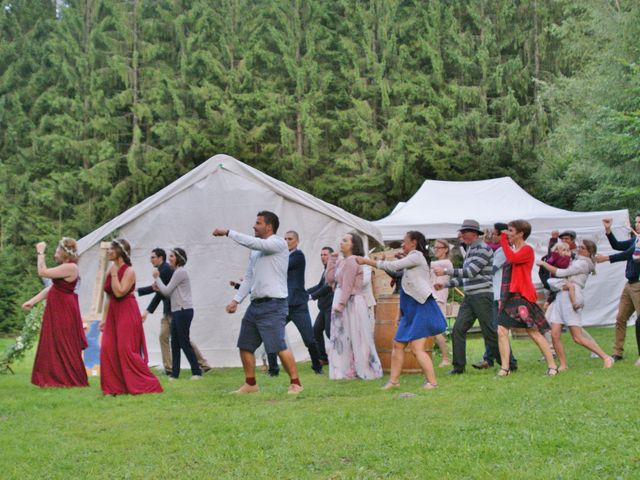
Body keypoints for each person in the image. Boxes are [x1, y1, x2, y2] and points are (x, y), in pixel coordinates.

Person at [212, 211, 303, 394]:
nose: (254, 226)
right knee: (245, 345)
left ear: (268, 227)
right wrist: (236, 300)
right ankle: (251, 384)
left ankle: (296, 383)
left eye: (258, 223)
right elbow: (249, 277)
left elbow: (255, 242)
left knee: (278, 346)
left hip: (274, 305)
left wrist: (228, 232)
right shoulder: (256, 251)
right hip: (256, 305)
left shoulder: (278, 243)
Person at [357, 231, 446, 389]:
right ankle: (394, 381)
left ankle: (432, 382)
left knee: (417, 348)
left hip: (422, 307)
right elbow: (406, 287)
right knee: (398, 344)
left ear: (414, 242)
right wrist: (400, 311)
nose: (402, 244)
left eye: (405, 241)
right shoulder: (411, 259)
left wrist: (367, 261)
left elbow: (392, 266)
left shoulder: (416, 255)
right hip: (409, 308)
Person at [433, 219, 506, 375]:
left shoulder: (482, 249)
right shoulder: (471, 249)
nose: (462, 234)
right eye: (462, 231)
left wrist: (446, 272)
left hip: (482, 296)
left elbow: (471, 272)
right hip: (471, 297)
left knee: (490, 333)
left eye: (465, 232)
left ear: (474, 233)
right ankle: (458, 367)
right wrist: (445, 284)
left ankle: (508, 363)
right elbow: (467, 278)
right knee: (457, 330)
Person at [22, 238, 88, 388]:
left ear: (65, 253)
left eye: (58, 251)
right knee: (54, 342)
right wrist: (33, 301)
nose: (55, 254)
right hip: (57, 307)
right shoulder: (65, 267)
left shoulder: (71, 267)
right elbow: (52, 288)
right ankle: (53, 377)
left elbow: (42, 272)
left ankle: (70, 378)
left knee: (64, 342)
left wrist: (40, 252)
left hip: (64, 309)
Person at [99, 239, 163, 395]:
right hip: (113, 312)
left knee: (125, 349)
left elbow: (120, 292)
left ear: (120, 251)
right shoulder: (111, 270)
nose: (108, 252)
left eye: (111, 249)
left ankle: (147, 383)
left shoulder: (129, 271)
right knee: (108, 348)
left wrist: (114, 274)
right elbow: (109, 296)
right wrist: (104, 318)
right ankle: (114, 387)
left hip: (127, 311)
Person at [537, 240, 613, 370]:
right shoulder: (577, 260)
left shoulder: (583, 263)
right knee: (554, 334)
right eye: (579, 246)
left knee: (577, 337)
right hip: (561, 296)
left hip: (572, 297)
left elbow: (561, 273)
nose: (578, 248)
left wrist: (544, 264)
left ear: (588, 251)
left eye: (582, 247)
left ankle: (605, 357)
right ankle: (563, 365)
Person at [496, 220, 558, 376]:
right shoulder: (514, 250)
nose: (507, 234)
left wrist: (503, 240)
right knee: (501, 330)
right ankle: (505, 368)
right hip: (511, 297)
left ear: (520, 233)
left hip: (522, 296)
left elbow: (512, 258)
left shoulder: (527, 250)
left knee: (532, 331)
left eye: (510, 231)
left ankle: (552, 366)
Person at [137, 248, 211, 375]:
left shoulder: (166, 270)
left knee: (181, 340)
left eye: (153, 257)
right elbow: (159, 290)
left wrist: (146, 308)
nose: (151, 260)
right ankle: (172, 369)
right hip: (173, 309)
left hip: (176, 310)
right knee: (170, 338)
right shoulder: (165, 270)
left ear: (160, 258)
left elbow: (162, 292)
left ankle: (197, 365)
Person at [326, 232, 383, 380]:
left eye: (345, 240)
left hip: (351, 302)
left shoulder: (352, 261)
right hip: (341, 298)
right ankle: (345, 369)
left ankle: (365, 368)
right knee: (342, 336)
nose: (341, 243)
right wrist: (332, 260)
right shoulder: (341, 261)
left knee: (357, 335)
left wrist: (341, 303)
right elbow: (330, 279)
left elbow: (348, 284)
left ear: (352, 245)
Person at [267, 231, 323, 375]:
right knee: (272, 335)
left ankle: (317, 367)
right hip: (283, 305)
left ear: (297, 241)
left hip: (298, 306)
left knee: (309, 340)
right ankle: (273, 370)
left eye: (290, 239)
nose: (286, 241)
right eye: (284, 239)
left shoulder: (298, 256)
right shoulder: (282, 256)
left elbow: (282, 265)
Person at [472, 223, 518, 371]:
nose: (492, 236)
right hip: (494, 292)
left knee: (497, 329)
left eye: (495, 234)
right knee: (492, 327)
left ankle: (509, 362)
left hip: (499, 294)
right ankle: (489, 358)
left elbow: (491, 269)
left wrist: (475, 270)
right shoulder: (497, 250)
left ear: (501, 235)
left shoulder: (502, 251)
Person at [595, 215, 640, 363]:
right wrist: (608, 230)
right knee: (620, 318)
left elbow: (629, 254)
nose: (637, 225)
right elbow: (617, 245)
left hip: (638, 285)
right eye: (637, 222)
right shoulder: (636, 239)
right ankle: (617, 352)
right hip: (630, 284)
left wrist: (607, 258)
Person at [153, 248, 202, 380]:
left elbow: (167, 291)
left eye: (172, 257)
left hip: (183, 310)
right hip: (177, 311)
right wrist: (159, 286)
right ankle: (175, 374)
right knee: (174, 342)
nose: (169, 259)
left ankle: (196, 372)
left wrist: (157, 279)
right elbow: (168, 291)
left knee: (183, 342)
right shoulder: (177, 273)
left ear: (179, 259)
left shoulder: (180, 272)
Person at [307, 247, 335, 366]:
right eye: (321, 255)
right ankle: (323, 358)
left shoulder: (333, 270)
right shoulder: (325, 270)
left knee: (330, 333)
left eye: (325, 255)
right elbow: (319, 286)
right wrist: (304, 292)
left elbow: (327, 287)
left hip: (331, 307)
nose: (323, 257)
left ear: (331, 256)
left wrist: (311, 297)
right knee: (316, 330)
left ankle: (339, 358)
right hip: (324, 308)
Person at [430, 239, 452, 367]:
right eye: (435, 247)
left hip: (439, 299)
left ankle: (445, 359)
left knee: (438, 331)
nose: (436, 249)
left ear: (446, 249)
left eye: (439, 247)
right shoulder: (435, 263)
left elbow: (428, 264)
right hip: (431, 298)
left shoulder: (447, 263)